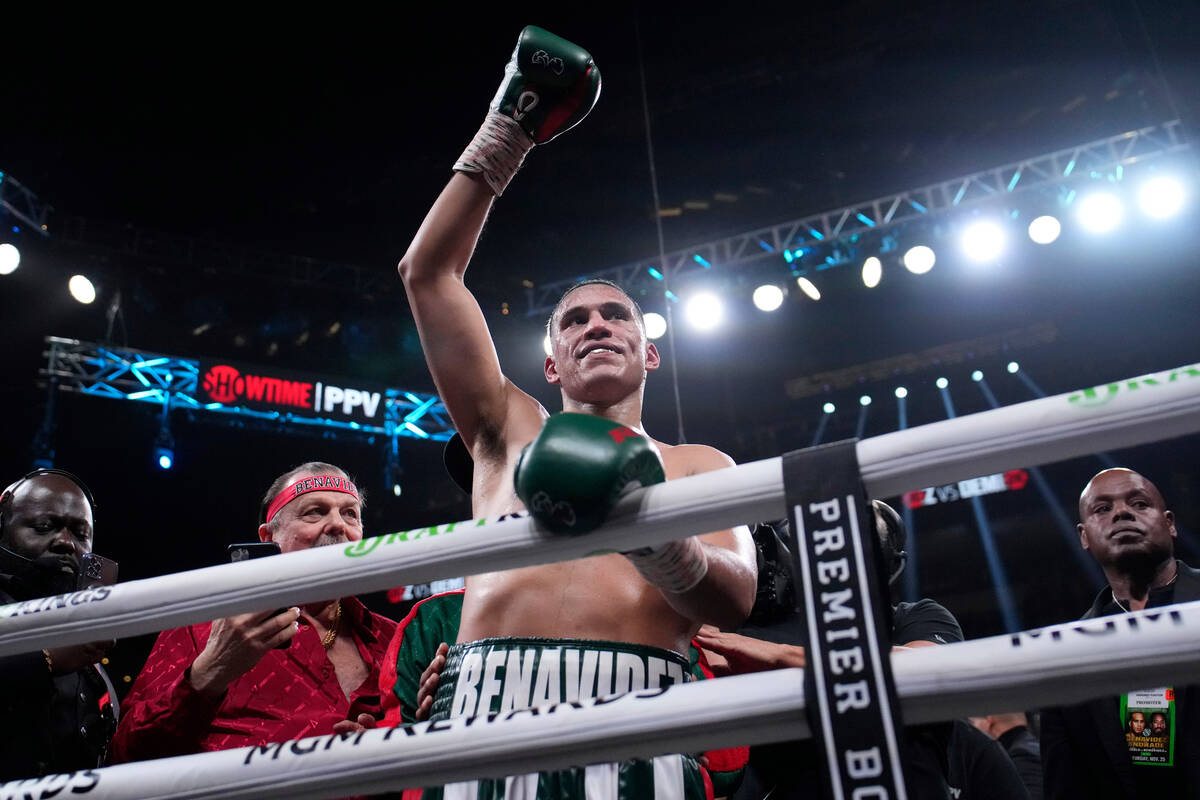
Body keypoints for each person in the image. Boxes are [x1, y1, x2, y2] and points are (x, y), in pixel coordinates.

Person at [396, 24, 757, 798]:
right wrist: (509, 132)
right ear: (550, 362)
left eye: (617, 316)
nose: (598, 324)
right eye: (576, 320)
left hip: (638, 711)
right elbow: (428, 276)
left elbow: (735, 595)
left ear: (649, 353)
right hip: (485, 708)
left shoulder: (702, 467)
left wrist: (650, 534)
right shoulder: (503, 429)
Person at [110, 462, 397, 761]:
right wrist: (210, 672)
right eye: (315, 511)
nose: (339, 524)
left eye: (350, 513)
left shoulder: (395, 637)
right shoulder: (204, 626)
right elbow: (125, 753)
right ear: (268, 537)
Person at [1040, 468, 1200, 798]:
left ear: (1169, 523)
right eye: (1103, 509)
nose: (1122, 513)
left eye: (1139, 504)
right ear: (1085, 537)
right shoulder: (1064, 652)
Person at [0, 468, 118, 780]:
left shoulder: (87, 646)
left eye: (81, 535)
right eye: (44, 526)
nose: (67, 543)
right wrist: (45, 659)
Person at [970, 712, 1043, 800]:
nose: (973, 727)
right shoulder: (1034, 745)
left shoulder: (1020, 756)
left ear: (989, 720)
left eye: (973, 722)